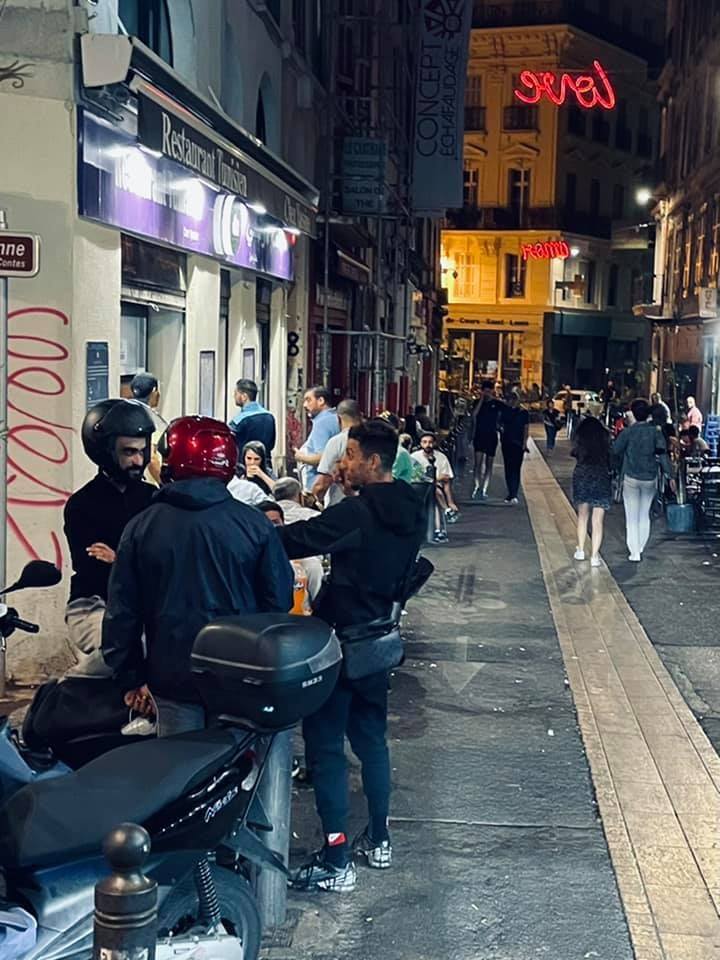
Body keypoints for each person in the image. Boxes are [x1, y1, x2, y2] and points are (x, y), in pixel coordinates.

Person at [278, 421, 426, 893]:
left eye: (351, 456)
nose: (343, 463)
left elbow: (299, 539)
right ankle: (379, 839)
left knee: (325, 749)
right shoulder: (412, 507)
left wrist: (253, 530)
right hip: (378, 643)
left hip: (339, 645)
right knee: (371, 741)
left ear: (373, 462)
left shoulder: (358, 513)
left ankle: (336, 858)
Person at [102, 416, 294, 736]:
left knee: (181, 763)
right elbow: (279, 600)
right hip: (240, 677)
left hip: (172, 680)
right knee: (240, 760)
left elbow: (122, 612)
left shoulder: (141, 527)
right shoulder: (255, 524)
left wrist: (131, 676)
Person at [63, 400, 156, 675]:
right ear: (106, 451)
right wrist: (139, 563)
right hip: (94, 604)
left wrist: (118, 559)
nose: (138, 460)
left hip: (148, 606)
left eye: (142, 451)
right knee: (122, 647)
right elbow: (94, 569)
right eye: (128, 452)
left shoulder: (155, 500)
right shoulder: (82, 504)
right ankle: (63, 692)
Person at [613, 398, 674, 562]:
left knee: (631, 515)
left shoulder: (628, 432)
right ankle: (640, 546)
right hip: (650, 477)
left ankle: (634, 551)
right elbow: (663, 455)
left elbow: (615, 450)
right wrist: (670, 475)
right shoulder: (656, 432)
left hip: (631, 477)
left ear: (633, 413)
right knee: (644, 513)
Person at [571, 417, 612, 568]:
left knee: (582, 516)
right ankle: (594, 556)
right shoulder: (605, 438)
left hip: (582, 473)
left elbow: (574, 453)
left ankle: (581, 550)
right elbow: (611, 456)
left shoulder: (580, 438)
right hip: (601, 474)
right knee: (597, 520)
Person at [312, 399, 362, 506]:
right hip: (369, 505)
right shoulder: (372, 440)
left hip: (341, 505)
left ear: (338, 418)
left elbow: (322, 483)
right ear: (360, 416)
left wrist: (315, 502)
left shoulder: (336, 442)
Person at [411, 432, 460, 539]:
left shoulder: (441, 458)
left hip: (435, 489)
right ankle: (445, 513)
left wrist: (451, 501)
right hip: (419, 488)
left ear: (434, 443)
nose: (427, 445)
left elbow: (447, 481)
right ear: (420, 443)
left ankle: (437, 529)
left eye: (430, 442)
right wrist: (437, 478)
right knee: (434, 490)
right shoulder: (414, 457)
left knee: (434, 492)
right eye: (424, 442)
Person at [295, 386, 341, 492]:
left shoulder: (322, 423)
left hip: (319, 484)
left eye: (308, 400)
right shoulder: (334, 417)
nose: (304, 405)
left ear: (321, 400)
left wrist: (301, 457)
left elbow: (323, 458)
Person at [129, 372, 168, 485]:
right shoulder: (150, 419)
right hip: (148, 485)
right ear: (154, 392)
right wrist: (163, 484)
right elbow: (151, 457)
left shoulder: (128, 413)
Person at [229, 378, 276, 458]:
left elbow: (231, 445)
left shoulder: (239, 421)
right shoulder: (269, 417)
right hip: (265, 463)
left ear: (244, 397)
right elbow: (271, 445)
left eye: (236, 393)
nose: (234, 396)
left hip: (245, 464)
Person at [471, 380, 503, 499]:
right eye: (485, 391)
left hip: (491, 436)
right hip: (479, 435)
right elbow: (474, 415)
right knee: (477, 464)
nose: (487, 394)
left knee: (489, 465)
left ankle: (484, 489)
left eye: (489, 391)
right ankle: (477, 487)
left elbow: (503, 415)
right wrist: (481, 400)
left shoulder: (497, 404)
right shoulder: (477, 403)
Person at [500, 392, 529, 504]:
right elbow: (501, 424)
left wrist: (524, 443)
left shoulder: (523, 412)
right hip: (507, 442)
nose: (512, 402)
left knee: (515, 468)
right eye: (510, 400)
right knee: (508, 468)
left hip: (517, 443)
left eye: (513, 400)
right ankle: (511, 492)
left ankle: (514, 493)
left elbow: (526, 428)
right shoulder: (505, 411)